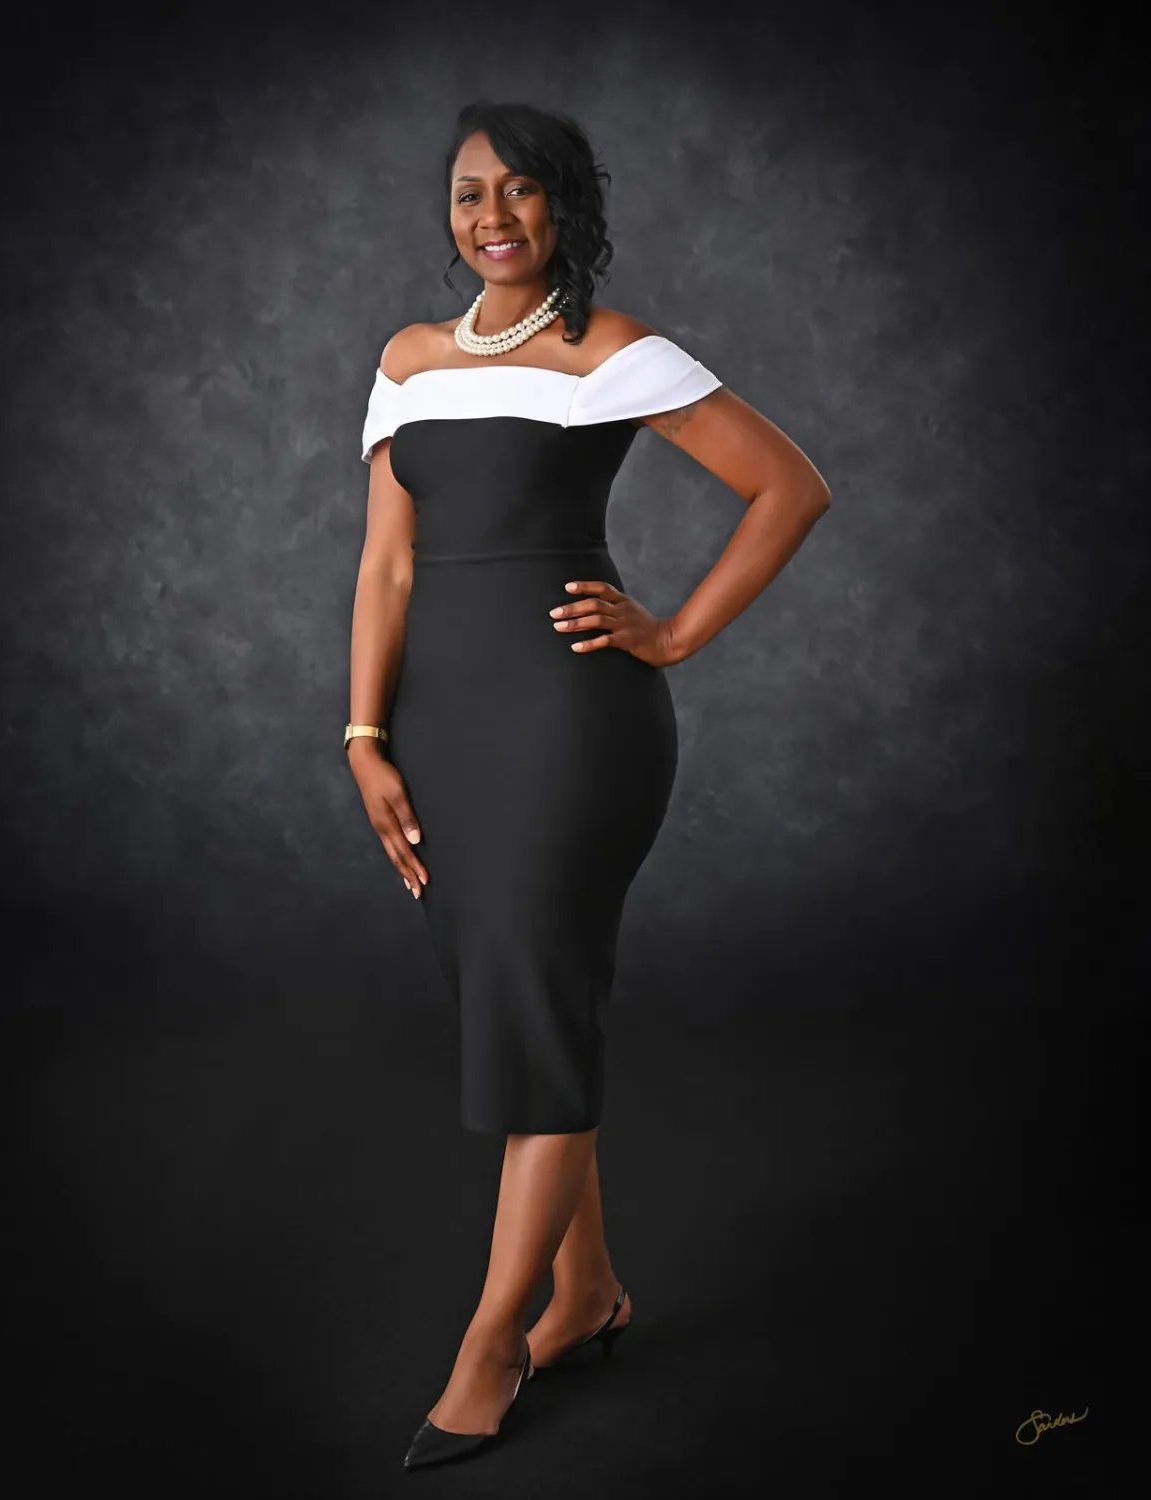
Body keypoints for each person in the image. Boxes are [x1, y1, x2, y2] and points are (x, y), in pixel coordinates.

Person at [347, 100, 831, 1469]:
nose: (491, 215)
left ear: (564, 204)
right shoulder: (406, 360)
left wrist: (671, 633)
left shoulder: (611, 349)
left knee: (539, 1015)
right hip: (440, 732)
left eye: (520, 189)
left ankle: (490, 1346)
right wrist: (364, 736)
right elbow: (387, 564)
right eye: (469, 193)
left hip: (572, 731)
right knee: (523, 1012)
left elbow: (789, 488)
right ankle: (590, 1291)